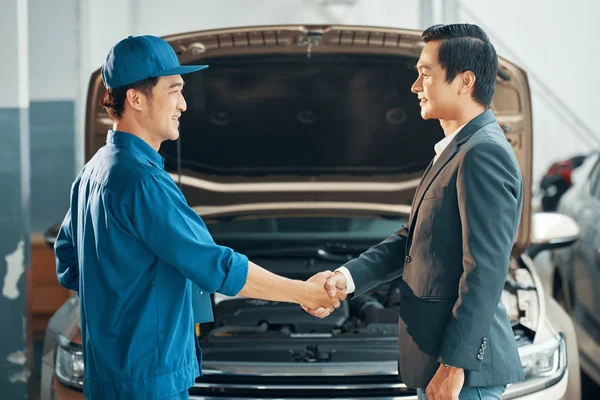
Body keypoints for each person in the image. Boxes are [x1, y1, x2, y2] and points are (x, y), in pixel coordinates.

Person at [54, 35, 341, 400]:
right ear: (136, 99)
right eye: (174, 91)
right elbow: (215, 266)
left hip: (109, 375)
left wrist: (120, 301)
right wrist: (305, 291)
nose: (184, 104)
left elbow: (68, 264)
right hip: (149, 382)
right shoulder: (143, 182)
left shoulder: (94, 173)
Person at [303, 24, 525, 400]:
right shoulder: (458, 149)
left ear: (464, 81)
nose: (415, 87)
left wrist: (454, 367)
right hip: (439, 363)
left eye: (425, 74)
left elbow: (485, 271)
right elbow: (412, 240)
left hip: (462, 376)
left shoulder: (482, 153)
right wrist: (347, 278)